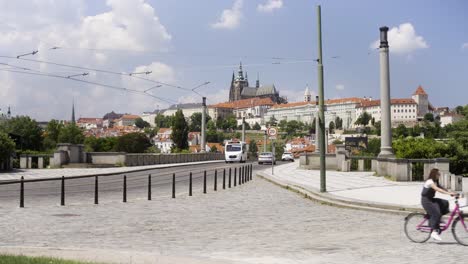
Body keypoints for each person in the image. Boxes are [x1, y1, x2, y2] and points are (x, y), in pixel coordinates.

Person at [421, 168, 456, 241]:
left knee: (445, 203)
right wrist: (448, 194)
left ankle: (438, 219)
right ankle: (433, 232)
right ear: (434, 174)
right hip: (426, 201)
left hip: (431, 199)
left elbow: (441, 187)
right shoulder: (429, 182)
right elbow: (437, 189)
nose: (439, 175)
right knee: (436, 213)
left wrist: (451, 192)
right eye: (438, 174)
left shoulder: (435, 181)